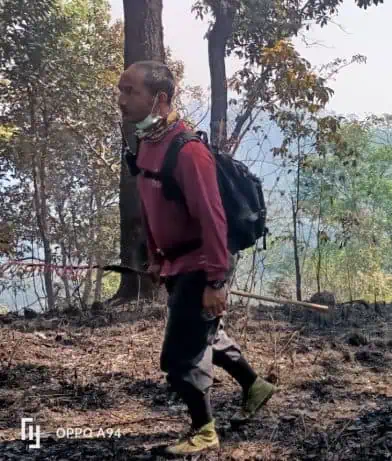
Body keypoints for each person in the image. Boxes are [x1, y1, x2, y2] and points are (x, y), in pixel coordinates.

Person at [118, 60, 275, 455]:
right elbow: (154, 206)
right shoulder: (147, 145)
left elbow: (213, 219)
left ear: (161, 99)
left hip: (201, 264)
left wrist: (215, 281)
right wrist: (155, 258)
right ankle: (255, 385)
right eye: (120, 91)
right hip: (177, 264)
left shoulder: (187, 152)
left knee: (179, 357)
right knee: (206, 334)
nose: (121, 100)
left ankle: (204, 431)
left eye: (129, 91)